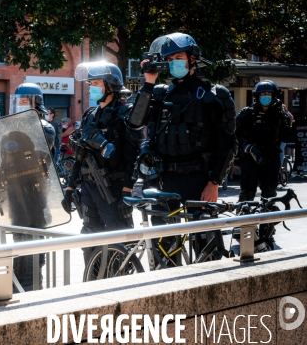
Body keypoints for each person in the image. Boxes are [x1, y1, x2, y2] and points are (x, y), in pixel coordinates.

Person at [128, 32, 237, 261]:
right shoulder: (159, 94)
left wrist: (214, 183)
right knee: (164, 250)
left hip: (198, 180)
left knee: (206, 251)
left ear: (192, 58)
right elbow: (135, 122)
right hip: (164, 180)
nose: (173, 63)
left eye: (178, 57)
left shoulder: (214, 95)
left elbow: (227, 145)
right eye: (169, 60)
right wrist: (148, 82)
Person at [61, 61, 144, 265]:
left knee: (118, 239)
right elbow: (80, 153)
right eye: (90, 84)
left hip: (112, 187)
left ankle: (119, 284)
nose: (91, 88)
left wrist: (127, 189)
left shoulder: (125, 113)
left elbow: (133, 155)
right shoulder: (91, 114)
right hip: (89, 186)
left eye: (96, 83)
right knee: (89, 237)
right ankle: (92, 279)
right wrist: (70, 187)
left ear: (110, 86)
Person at [8, 82, 56, 290]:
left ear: (36, 102)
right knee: (19, 229)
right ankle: (18, 273)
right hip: (15, 186)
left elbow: (36, 157)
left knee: (34, 229)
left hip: (35, 187)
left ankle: (33, 275)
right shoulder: (14, 126)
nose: (21, 105)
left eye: (25, 101)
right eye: (19, 101)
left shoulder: (44, 127)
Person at [236, 81, 292, 201]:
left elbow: (286, 136)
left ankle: (268, 217)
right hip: (250, 155)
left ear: (274, 96)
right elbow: (236, 135)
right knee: (247, 193)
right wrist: (248, 148)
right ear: (257, 96)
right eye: (262, 94)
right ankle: (245, 217)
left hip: (271, 156)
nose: (265, 96)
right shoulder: (247, 113)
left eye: (269, 94)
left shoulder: (280, 115)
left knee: (269, 193)